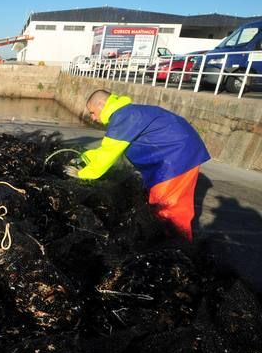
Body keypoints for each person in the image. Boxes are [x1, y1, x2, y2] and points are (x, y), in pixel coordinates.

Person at [65, 89, 210, 240]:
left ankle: (178, 247)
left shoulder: (123, 117)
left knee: (168, 208)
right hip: (177, 152)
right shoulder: (125, 114)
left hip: (177, 156)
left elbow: (108, 154)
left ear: (101, 104)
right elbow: (107, 149)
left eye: (92, 112)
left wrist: (82, 174)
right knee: (161, 204)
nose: (93, 118)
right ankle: (169, 241)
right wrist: (84, 158)